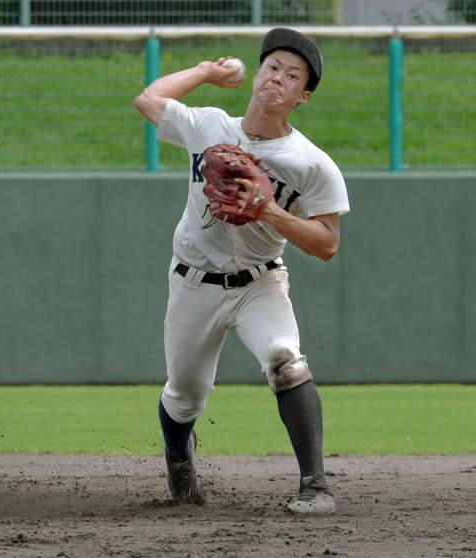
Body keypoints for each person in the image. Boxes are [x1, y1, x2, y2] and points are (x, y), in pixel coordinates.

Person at [134, 28, 348, 514]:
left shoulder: (311, 164)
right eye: (273, 66)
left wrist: (271, 211)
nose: (280, 77)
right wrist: (206, 72)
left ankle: (316, 487)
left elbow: (328, 244)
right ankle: (179, 459)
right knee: (185, 396)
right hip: (193, 281)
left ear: (303, 96)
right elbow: (149, 100)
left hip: (260, 281)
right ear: (257, 75)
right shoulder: (209, 125)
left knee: (284, 357)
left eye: (293, 75)